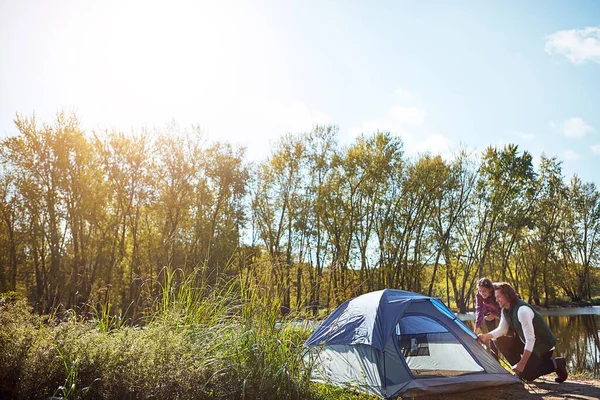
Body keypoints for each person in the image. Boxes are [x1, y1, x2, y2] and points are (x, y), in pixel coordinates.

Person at [478, 282, 568, 383]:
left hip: (543, 347)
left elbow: (530, 339)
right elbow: (502, 330)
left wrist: (522, 363)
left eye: (498, 296)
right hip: (529, 344)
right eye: (495, 297)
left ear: (507, 295)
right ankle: (519, 370)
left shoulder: (522, 311)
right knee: (498, 340)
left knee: (526, 377)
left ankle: (556, 364)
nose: (496, 299)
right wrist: (486, 336)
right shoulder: (505, 310)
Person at [474, 278, 501, 359]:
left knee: (505, 336)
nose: (482, 293)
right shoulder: (479, 295)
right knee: (491, 337)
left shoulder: (497, 292)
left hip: (499, 311)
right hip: (488, 312)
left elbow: (504, 308)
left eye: (484, 291)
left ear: (490, 289)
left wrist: (495, 314)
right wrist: (476, 329)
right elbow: (479, 310)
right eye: (480, 290)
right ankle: (495, 359)